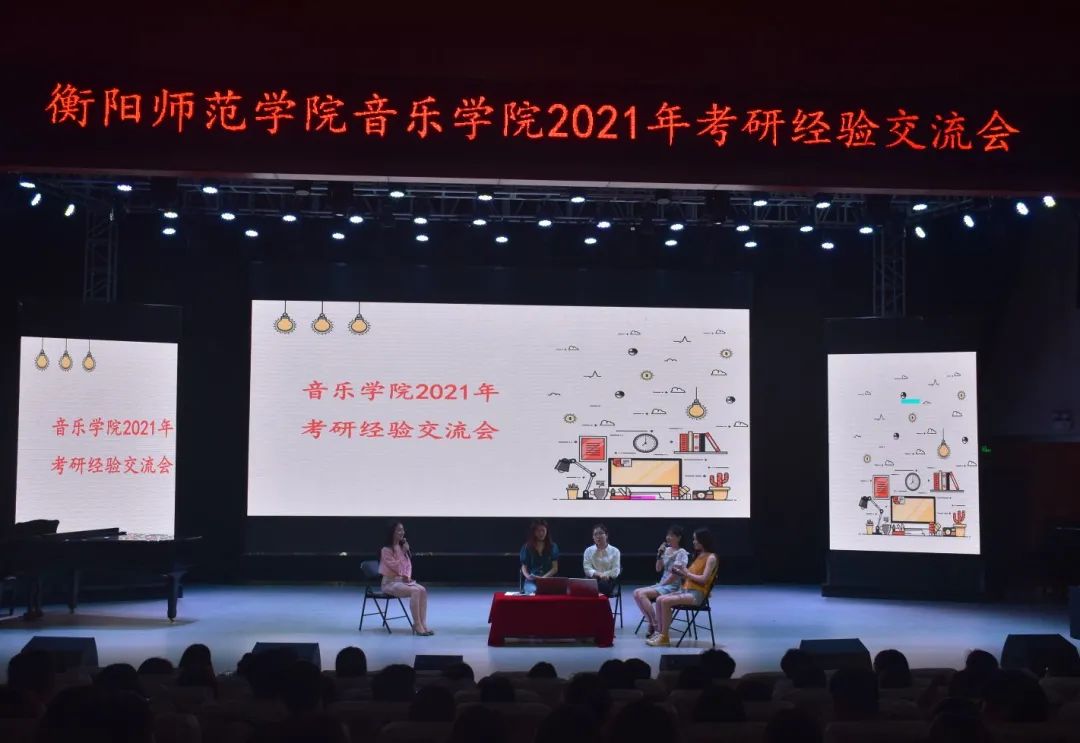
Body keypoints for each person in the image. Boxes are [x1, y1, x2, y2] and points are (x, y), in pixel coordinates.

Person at [646, 527, 718, 647]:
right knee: (660, 599)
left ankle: (664, 636)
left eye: (695, 539)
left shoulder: (711, 558)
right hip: (686, 590)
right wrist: (681, 573)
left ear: (703, 540)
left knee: (665, 601)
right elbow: (689, 576)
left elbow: (704, 579)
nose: (693, 542)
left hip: (697, 595)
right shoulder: (699, 556)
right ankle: (659, 633)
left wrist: (686, 573)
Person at [633, 525, 689, 637]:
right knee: (636, 593)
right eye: (668, 535)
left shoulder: (681, 552)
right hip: (663, 584)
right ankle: (652, 622)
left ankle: (654, 624)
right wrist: (659, 555)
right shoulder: (667, 550)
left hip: (672, 586)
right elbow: (658, 569)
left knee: (642, 594)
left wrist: (661, 585)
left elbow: (675, 575)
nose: (668, 537)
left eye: (671, 535)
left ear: (679, 538)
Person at [379, 520, 433, 635]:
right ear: (392, 532)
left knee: (422, 590)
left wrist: (407, 576)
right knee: (415, 591)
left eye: (403, 530)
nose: (402, 532)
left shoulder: (401, 547)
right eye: (399, 530)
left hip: (402, 581)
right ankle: (417, 624)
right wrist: (403, 552)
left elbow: (408, 565)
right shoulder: (386, 550)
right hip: (389, 583)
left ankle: (423, 624)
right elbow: (396, 567)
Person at [520, 519, 559, 594]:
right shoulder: (527, 547)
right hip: (532, 580)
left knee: (549, 592)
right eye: (538, 531)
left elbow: (555, 568)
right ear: (534, 532)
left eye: (543, 530)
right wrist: (528, 576)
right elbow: (524, 567)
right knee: (533, 591)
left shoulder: (553, 546)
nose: (541, 533)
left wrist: (543, 578)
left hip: (548, 579)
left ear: (547, 531)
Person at [582, 523, 621, 596]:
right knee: (581, 585)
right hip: (592, 578)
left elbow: (615, 571)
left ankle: (599, 602)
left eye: (600, 533)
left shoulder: (615, 551)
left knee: (602, 585)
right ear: (593, 537)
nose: (598, 536)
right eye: (595, 534)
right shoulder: (588, 551)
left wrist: (604, 575)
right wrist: (599, 574)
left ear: (606, 535)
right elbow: (587, 568)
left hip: (608, 580)